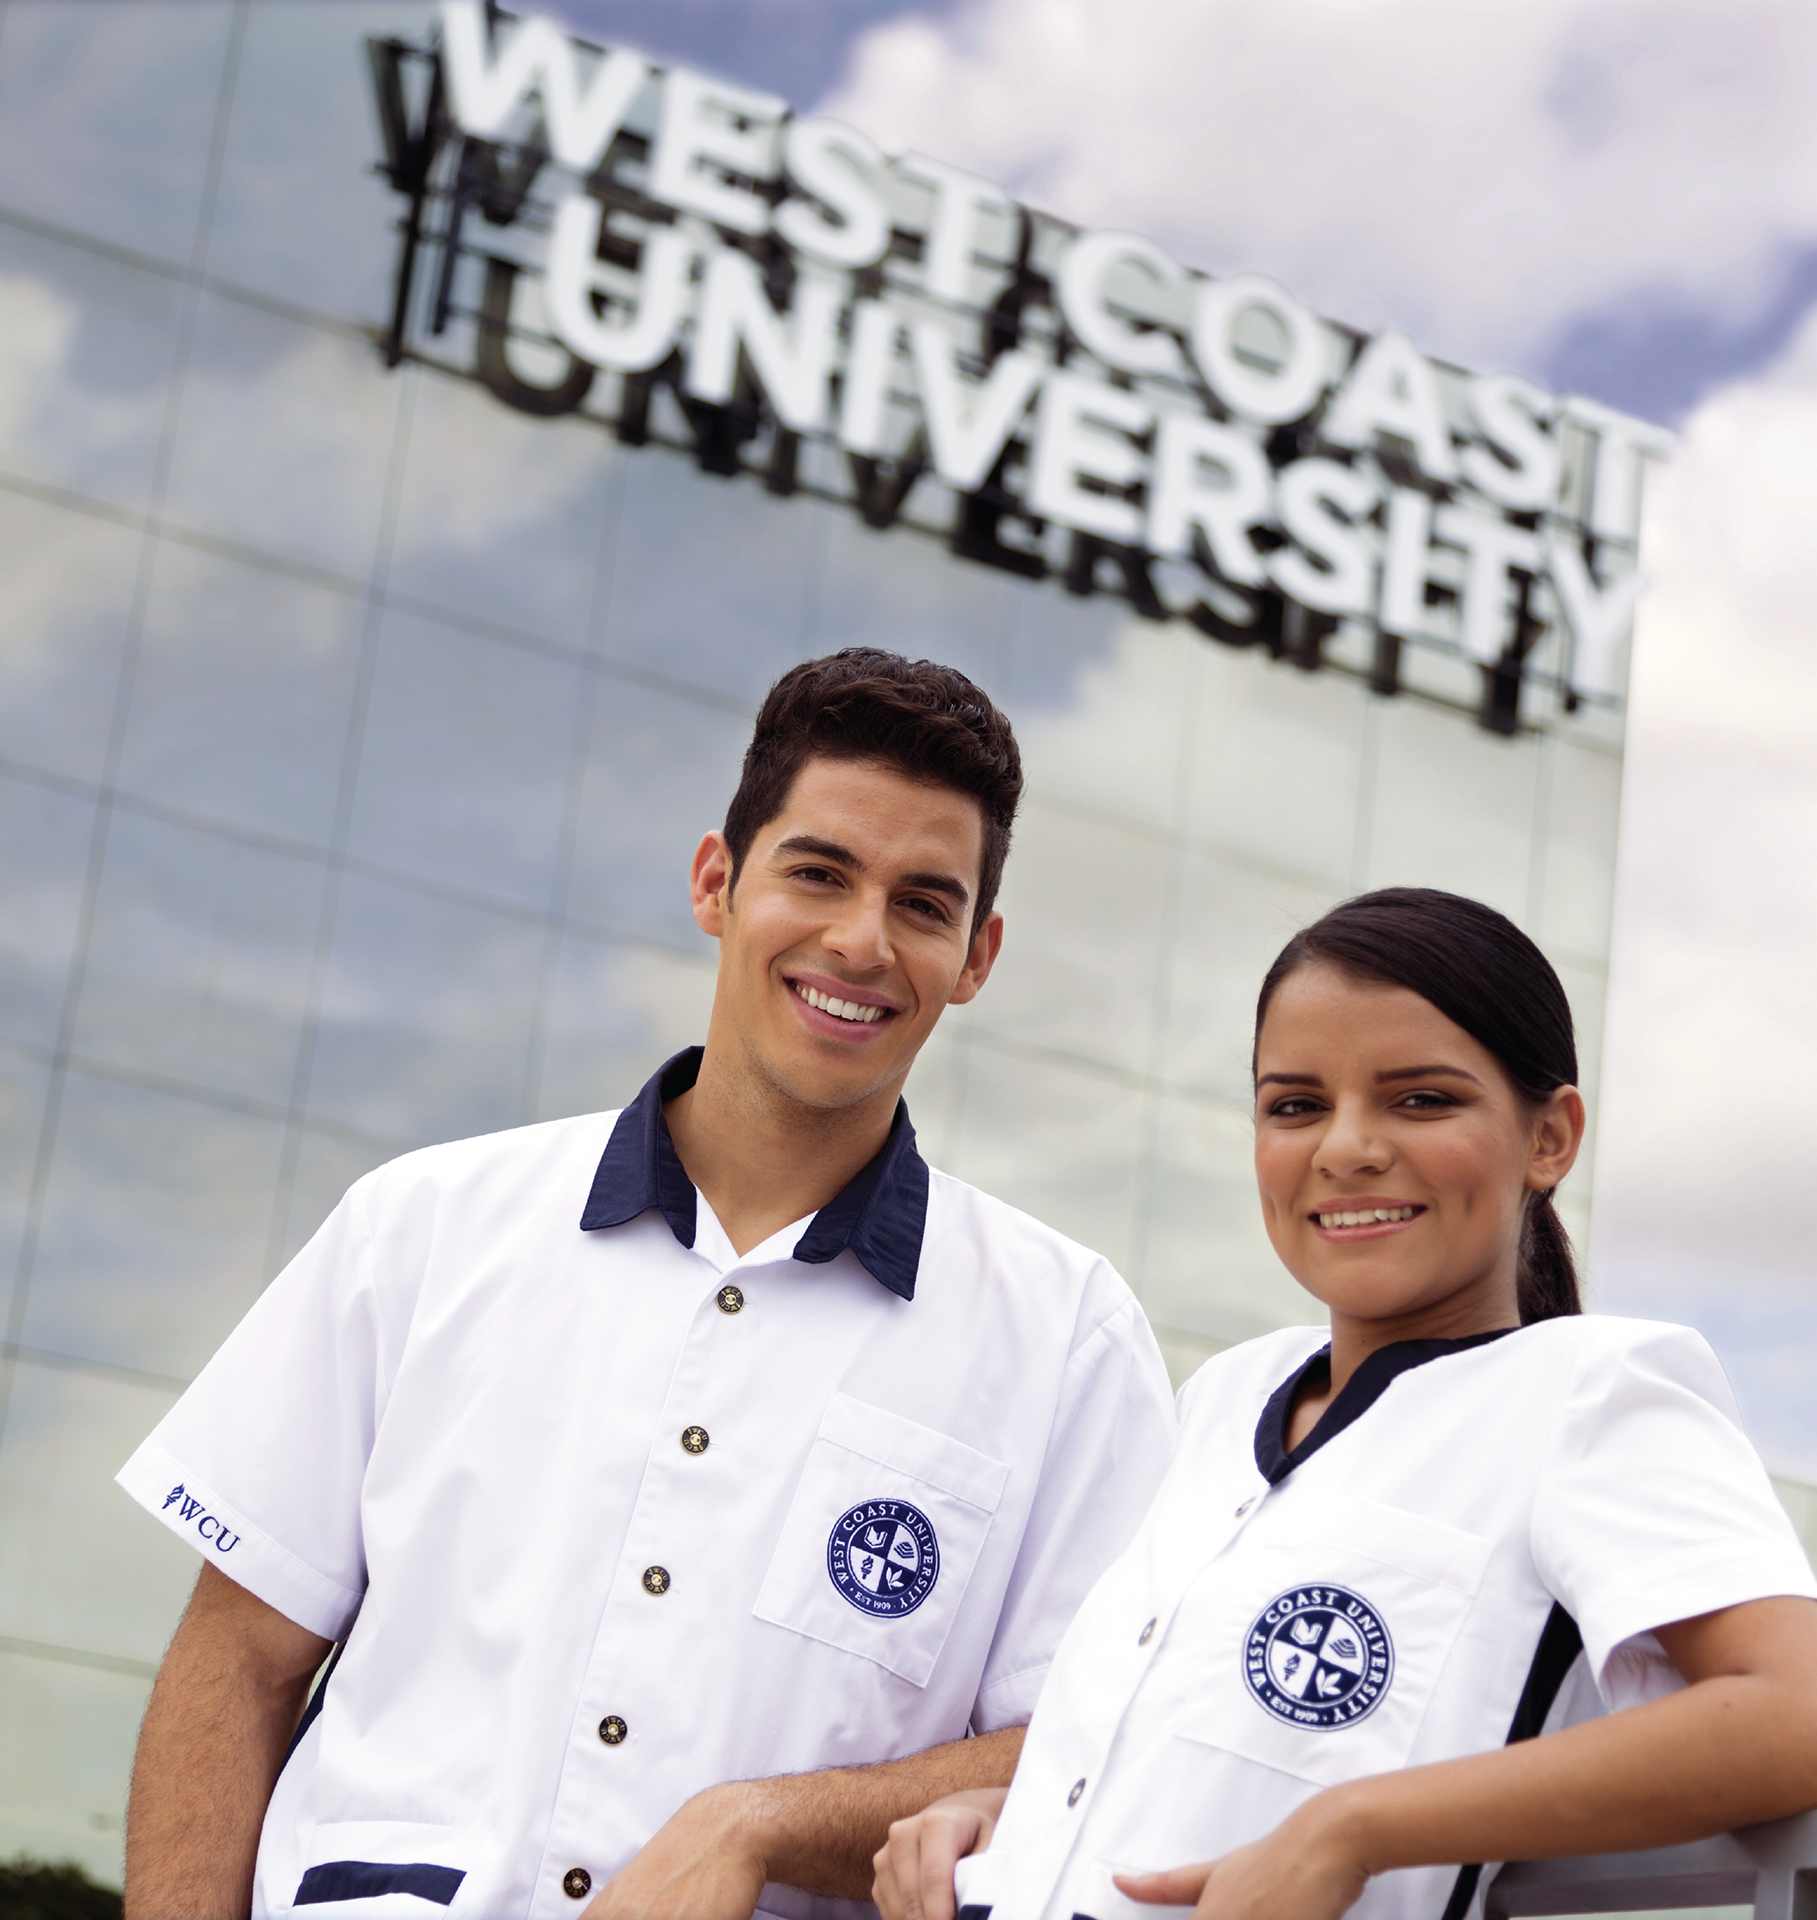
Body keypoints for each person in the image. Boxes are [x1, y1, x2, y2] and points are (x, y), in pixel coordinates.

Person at [117, 649, 1178, 1920]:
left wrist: (759, 1823)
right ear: (715, 882)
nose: (861, 941)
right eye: (819, 873)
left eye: (922, 903)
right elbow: (238, 1659)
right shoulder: (424, 1226)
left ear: (976, 955)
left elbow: (1086, 1751)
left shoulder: (1068, 1339)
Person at [874, 887, 1817, 1920]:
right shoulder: (1222, 1397)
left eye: (1421, 1100)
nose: (1347, 1148)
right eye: (1295, 1106)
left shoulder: (1591, 1394)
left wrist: (1351, 1829)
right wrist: (1013, 1818)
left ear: (1550, 1138)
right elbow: (1193, 1751)